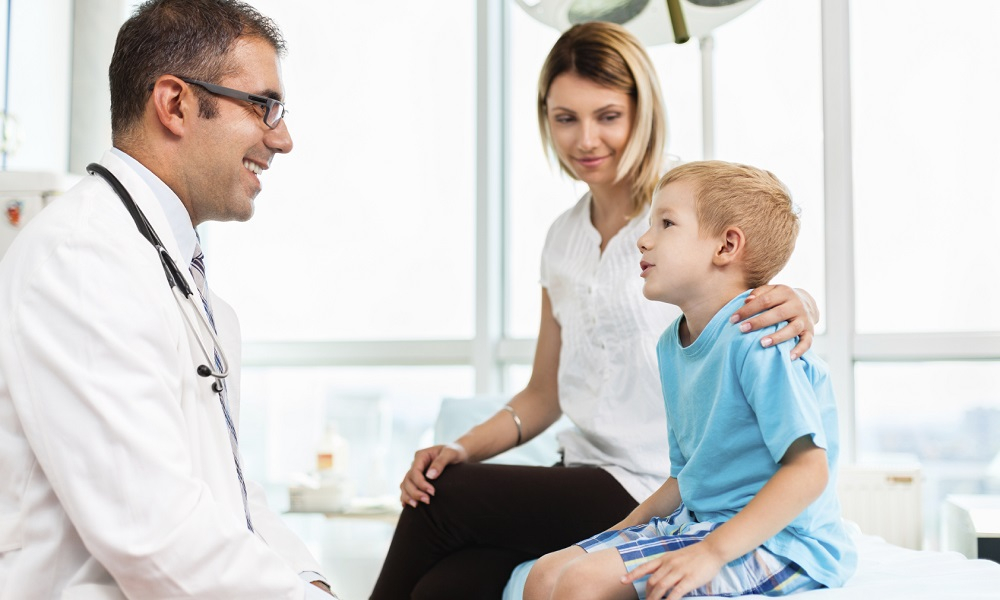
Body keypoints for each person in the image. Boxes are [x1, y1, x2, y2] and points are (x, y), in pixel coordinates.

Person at [370, 22, 820, 600]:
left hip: (649, 484)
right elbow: (543, 394)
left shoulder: (685, 211)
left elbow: (753, 278)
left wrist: (806, 302)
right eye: (566, 118)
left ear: (642, 113)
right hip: (579, 476)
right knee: (443, 586)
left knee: (444, 498)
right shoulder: (562, 239)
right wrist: (459, 448)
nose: (586, 139)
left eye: (607, 116)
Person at [0, 1, 337, 598]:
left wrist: (309, 579)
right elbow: (153, 533)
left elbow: (231, 493)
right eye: (263, 106)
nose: (282, 139)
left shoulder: (170, 272)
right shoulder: (82, 261)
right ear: (175, 104)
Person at [525, 161, 857, 600]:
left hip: (782, 543)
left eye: (666, 224)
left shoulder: (760, 338)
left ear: (726, 246)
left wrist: (712, 553)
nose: (644, 239)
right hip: (700, 522)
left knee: (582, 583)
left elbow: (809, 471)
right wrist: (622, 532)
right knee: (546, 574)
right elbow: (685, 477)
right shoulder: (670, 345)